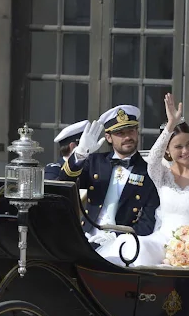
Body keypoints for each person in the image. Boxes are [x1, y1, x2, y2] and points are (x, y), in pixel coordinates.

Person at [97, 94, 189, 267]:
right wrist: (170, 126)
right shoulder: (162, 174)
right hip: (159, 242)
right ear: (167, 151)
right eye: (178, 147)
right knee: (130, 246)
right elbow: (153, 158)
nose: (185, 150)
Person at [59, 105, 160, 245]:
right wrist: (80, 154)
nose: (127, 137)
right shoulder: (95, 162)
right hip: (87, 237)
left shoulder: (148, 171)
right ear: (108, 137)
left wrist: (118, 237)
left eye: (131, 131)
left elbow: (147, 224)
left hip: (123, 245)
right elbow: (64, 183)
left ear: (137, 132)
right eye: (120, 133)